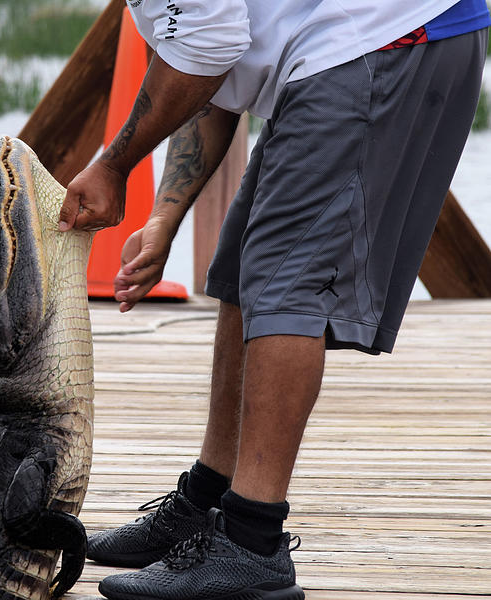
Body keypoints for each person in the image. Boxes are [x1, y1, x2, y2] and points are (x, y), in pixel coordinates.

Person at [57, 1, 490, 599]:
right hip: (351, 39)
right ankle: (208, 503)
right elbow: (208, 72)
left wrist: (114, 165)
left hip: (385, 34)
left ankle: (251, 544)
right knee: (242, 266)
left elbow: (204, 52)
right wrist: (164, 218)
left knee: (284, 284)